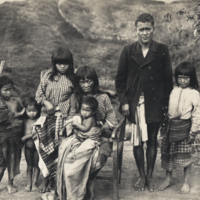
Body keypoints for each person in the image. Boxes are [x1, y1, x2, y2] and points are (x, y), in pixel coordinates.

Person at [115, 13, 173, 192]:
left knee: (153, 140)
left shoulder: (162, 49)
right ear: (136, 30)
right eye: (141, 29)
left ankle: (150, 175)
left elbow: (167, 80)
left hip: (155, 103)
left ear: (153, 29)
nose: (145, 33)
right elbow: (120, 80)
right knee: (137, 141)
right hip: (134, 102)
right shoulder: (128, 49)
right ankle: (141, 175)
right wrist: (124, 102)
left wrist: (166, 104)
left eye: (148, 29)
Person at [57, 66, 118, 200]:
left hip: (100, 137)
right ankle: (74, 192)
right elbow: (70, 118)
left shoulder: (103, 97)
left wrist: (100, 130)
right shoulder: (75, 98)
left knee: (97, 159)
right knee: (68, 157)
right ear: (77, 83)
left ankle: (88, 183)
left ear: (94, 81)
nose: (85, 85)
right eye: (82, 82)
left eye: (88, 81)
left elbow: (112, 119)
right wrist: (77, 131)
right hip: (78, 136)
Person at [34, 47, 76, 193]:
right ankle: (46, 179)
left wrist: (69, 120)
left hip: (63, 118)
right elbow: (38, 95)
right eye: (59, 64)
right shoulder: (48, 76)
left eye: (65, 63)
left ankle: (57, 181)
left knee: (61, 149)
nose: (62, 66)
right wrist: (46, 102)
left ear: (70, 63)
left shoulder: (73, 79)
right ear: (54, 64)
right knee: (43, 148)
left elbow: (74, 102)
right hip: (46, 118)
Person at [159, 62, 200, 194]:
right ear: (176, 77)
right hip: (171, 127)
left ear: (192, 78)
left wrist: (193, 131)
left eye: (186, 77)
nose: (182, 80)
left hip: (185, 128)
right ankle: (168, 179)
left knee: (185, 156)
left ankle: (186, 182)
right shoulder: (174, 91)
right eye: (180, 77)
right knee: (168, 154)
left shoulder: (194, 93)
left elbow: (197, 113)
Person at [0, 76, 25, 193]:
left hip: (14, 135)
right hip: (2, 136)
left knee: (13, 159)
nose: (8, 92)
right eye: (5, 90)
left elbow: (24, 113)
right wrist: (17, 114)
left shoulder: (15, 101)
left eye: (10, 89)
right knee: (1, 163)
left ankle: (10, 184)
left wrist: (21, 112)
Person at [21, 97, 41, 192]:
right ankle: (28, 183)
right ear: (25, 110)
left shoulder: (40, 120)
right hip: (28, 148)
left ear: (38, 110)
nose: (32, 113)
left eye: (34, 110)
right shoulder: (24, 121)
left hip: (37, 147)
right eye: (29, 111)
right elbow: (21, 136)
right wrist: (27, 136)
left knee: (36, 165)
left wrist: (27, 137)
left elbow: (39, 133)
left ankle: (34, 183)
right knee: (29, 166)